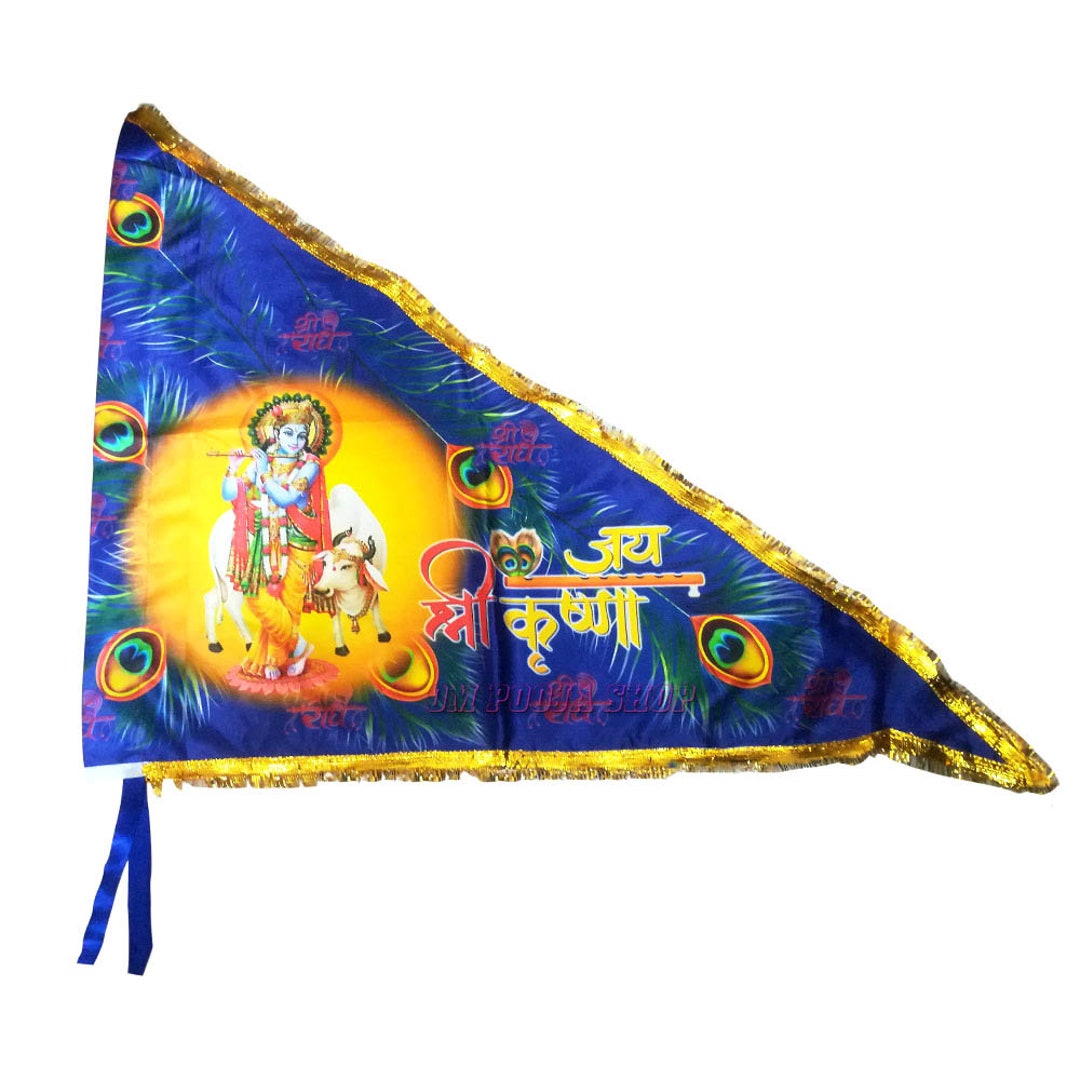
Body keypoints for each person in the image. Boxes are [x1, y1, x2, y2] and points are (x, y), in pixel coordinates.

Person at [222, 395, 333, 680]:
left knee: (288, 605)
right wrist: (233, 467)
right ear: (275, 432)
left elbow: (286, 498)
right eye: (288, 433)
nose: (295, 441)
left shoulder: (310, 464)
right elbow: (229, 494)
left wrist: (262, 474)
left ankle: (274, 659)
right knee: (255, 597)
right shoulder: (265, 459)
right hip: (266, 538)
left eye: (301, 435)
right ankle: (300, 646)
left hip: (300, 540)